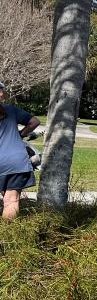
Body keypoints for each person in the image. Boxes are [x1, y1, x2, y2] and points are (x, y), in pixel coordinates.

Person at [0, 81, 41, 220]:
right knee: (11, 201)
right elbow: (34, 122)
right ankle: (7, 232)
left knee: (7, 199)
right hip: (15, 162)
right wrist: (20, 134)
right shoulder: (11, 110)